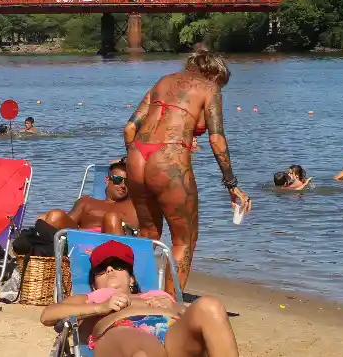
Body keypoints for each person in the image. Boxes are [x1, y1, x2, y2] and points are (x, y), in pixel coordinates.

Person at [124, 46, 250, 289]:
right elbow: (217, 140)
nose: (219, 88)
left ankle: (134, 293)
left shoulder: (163, 81)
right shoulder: (209, 88)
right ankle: (169, 304)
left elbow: (129, 129)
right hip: (168, 159)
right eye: (221, 84)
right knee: (184, 240)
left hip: (136, 156)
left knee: (148, 233)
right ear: (214, 74)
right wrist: (231, 184)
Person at [39, 240, 240, 357]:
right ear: (93, 284)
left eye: (118, 266)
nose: (110, 270)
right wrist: (100, 307)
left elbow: (189, 317)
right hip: (124, 330)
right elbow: (48, 315)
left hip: (172, 334)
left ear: (132, 279)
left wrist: (177, 308)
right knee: (142, 351)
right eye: (101, 269)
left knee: (209, 306)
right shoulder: (92, 298)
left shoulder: (157, 295)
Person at [39, 160, 139, 235]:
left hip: (110, 246)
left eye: (127, 182)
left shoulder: (132, 205)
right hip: (79, 243)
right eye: (118, 180)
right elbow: (66, 223)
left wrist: (127, 160)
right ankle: (44, 255)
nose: (123, 185)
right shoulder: (86, 202)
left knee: (112, 218)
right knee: (54, 215)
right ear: (107, 180)